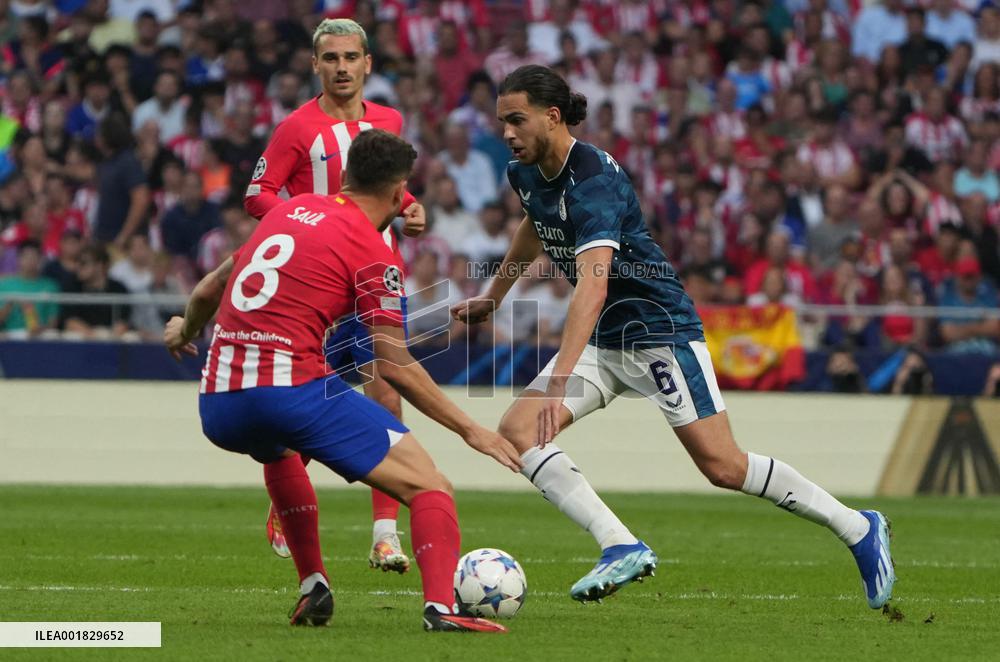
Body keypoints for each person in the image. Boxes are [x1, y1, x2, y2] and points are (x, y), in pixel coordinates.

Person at [452, 65, 896, 609]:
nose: (506, 133)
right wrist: (494, 297)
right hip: (604, 340)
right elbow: (535, 223)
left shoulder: (594, 179)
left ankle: (857, 527)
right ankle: (619, 543)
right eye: (501, 122)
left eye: (516, 120)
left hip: (656, 329)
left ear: (552, 115)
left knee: (723, 467)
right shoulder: (525, 173)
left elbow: (592, 285)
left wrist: (560, 374)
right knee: (519, 428)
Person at [165, 129, 517, 632]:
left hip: (218, 402)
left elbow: (209, 287)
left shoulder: (288, 209)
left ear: (347, 175)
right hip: (287, 390)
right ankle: (442, 609)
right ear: (399, 195)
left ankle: (313, 585)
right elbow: (393, 362)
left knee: (279, 451)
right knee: (429, 485)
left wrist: (184, 329)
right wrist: (471, 430)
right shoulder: (374, 252)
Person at [243, 18, 427, 572]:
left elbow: (392, 186)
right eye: (331, 58)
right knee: (305, 400)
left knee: (387, 393)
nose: (342, 67)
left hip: (374, 278)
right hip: (315, 283)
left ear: (368, 63)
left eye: (351, 57)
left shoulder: (389, 120)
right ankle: (287, 495)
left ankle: (384, 534)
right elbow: (258, 194)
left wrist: (410, 207)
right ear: (315, 65)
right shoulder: (296, 129)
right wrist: (307, 222)